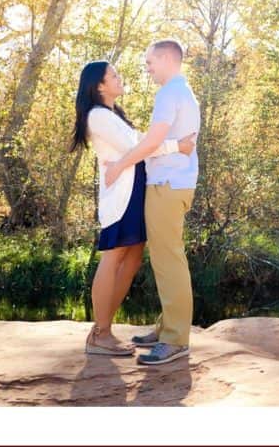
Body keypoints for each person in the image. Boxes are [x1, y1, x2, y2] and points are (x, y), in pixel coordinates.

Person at [69, 61, 195, 357]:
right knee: (114, 257)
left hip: (135, 190)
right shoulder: (98, 115)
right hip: (121, 195)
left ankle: (103, 328)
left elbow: (138, 143)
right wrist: (176, 146)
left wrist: (158, 147)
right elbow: (138, 145)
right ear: (99, 86)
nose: (119, 78)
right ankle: (101, 333)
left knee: (134, 257)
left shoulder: (112, 114)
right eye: (113, 75)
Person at [104, 39, 200, 366]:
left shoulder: (170, 92)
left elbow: (152, 142)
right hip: (172, 184)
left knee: (168, 260)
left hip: (168, 185)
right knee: (164, 259)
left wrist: (119, 165)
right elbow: (158, 142)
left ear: (165, 59)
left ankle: (175, 340)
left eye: (149, 62)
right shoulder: (179, 91)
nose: (147, 69)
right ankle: (166, 328)